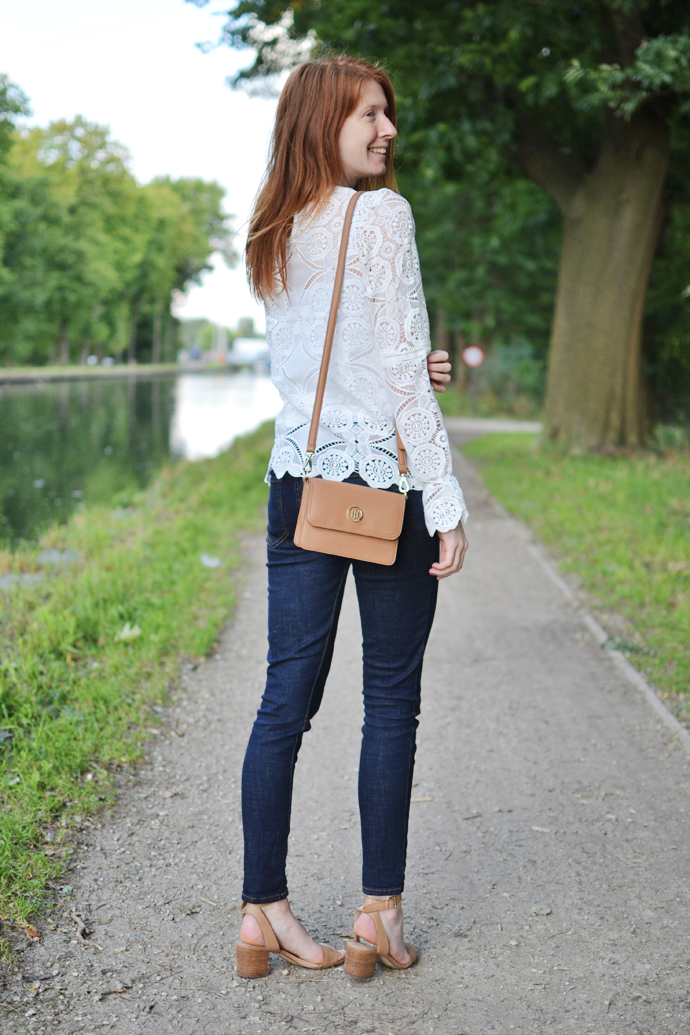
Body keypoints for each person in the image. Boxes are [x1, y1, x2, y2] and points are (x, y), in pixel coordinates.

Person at [236, 55, 469, 980]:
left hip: (300, 480)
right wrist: (446, 503)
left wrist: (418, 369)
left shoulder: (273, 226)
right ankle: (379, 916)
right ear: (323, 119)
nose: (388, 130)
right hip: (387, 488)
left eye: (389, 114)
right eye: (371, 114)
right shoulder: (384, 216)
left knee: (282, 701)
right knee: (390, 700)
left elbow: (324, 368)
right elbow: (401, 377)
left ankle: (263, 911)